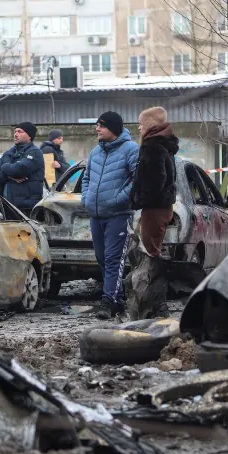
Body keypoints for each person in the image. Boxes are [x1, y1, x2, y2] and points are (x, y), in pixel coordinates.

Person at [81, 111, 139, 319]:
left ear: (114, 129)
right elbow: (86, 178)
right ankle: (119, 299)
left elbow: (137, 180)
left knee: (113, 258)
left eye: (102, 126)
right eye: (97, 125)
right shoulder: (96, 152)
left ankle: (107, 302)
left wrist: (119, 199)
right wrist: (86, 199)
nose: (97, 129)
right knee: (101, 258)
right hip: (96, 215)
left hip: (119, 214)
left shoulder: (130, 149)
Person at [126, 106, 178, 320]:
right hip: (159, 207)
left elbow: (155, 181)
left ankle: (154, 305)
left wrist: (138, 199)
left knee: (150, 255)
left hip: (153, 208)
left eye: (142, 124)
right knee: (151, 253)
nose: (139, 128)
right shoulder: (163, 146)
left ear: (150, 126)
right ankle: (154, 305)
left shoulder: (152, 147)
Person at [0, 122, 45, 215]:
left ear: (29, 136)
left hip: (26, 208)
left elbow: (18, 170)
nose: (15, 134)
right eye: (15, 132)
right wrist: (9, 176)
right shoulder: (9, 153)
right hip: (7, 206)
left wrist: (4, 167)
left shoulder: (35, 152)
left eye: (20, 132)